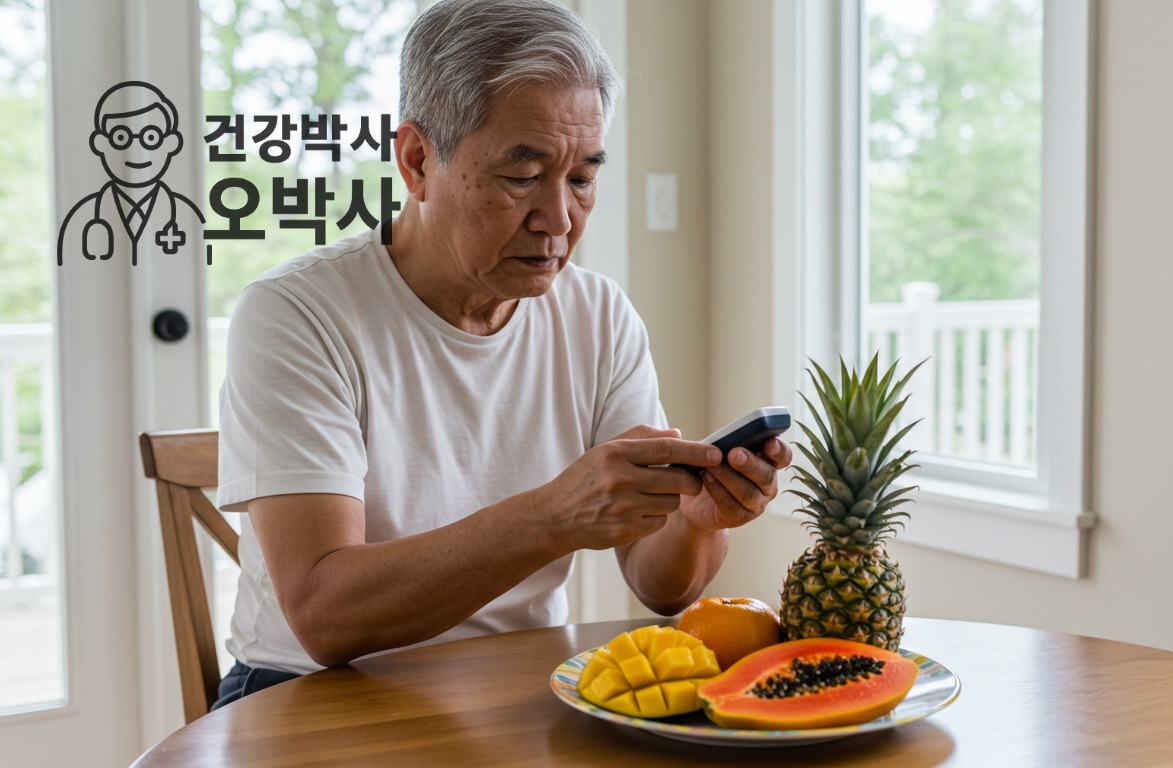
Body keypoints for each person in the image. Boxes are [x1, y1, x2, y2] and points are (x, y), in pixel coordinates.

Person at [212, 0, 791, 709]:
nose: (558, 219)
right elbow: (326, 616)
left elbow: (659, 582)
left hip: (517, 690)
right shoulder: (298, 313)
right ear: (418, 161)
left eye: (582, 178)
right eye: (523, 176)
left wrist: (697, 525)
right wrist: (553, 515)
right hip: (309, 697)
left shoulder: (598, 314)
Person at [56, 81, 205, 266]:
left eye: (151, 137)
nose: (136, 148)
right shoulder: (79, 217)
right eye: (120, 137)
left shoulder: (188, 215)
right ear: (100, 143)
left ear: (171, 142)